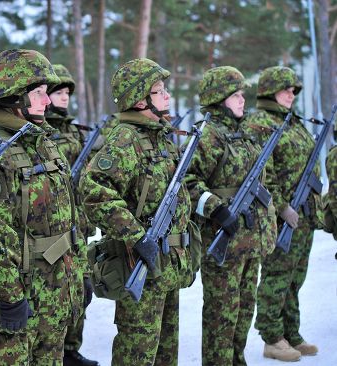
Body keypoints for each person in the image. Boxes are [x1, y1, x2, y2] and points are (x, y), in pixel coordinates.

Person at [0, 49, 83, 365]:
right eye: (40, 93)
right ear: (16, 97)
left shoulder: (45, 144)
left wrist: (77, 269)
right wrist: (10, 297)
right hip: (19, 300)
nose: (47, 101)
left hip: (54, 292)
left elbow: (69, 215)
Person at [82, 58, 197, 366]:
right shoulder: (126, 138)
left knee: (165, 353)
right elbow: (93, 191)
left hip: (165, 265)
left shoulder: (158, 138)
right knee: (138, 352)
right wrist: (135, 235)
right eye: (160, 91)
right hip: (140, 264)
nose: (168, 96)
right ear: (139, 99)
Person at [185, 66, 277, 366]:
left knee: (243, 310)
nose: (242, 100)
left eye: (242, 95)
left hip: (251, 241)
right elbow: (185, 181)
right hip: (224, 240)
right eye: (236, 95)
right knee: (221, 315)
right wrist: (215, 207)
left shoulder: (244, 134)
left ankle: (237, 360)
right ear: (219, 97)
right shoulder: (207, 135)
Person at [244, 66, 321, 362]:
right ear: (269, 91)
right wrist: (282, 206)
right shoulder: (260, 123)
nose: (292, 94)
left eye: (294, 91)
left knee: (295, 278)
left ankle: (292, 332)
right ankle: (272, 337)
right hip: (280, 218)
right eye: (286, 89)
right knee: (277, 276)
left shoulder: (293, 122)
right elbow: (263, 173)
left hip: (304, 216)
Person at [45, 64, 98, 366]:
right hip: (54, 221)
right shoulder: (43, 133)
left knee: (81, 287)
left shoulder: (76, 132)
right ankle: (58, 348)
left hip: (79, 220)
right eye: (58, 92)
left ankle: (71, 348)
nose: (64, 97)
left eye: (67, 92)